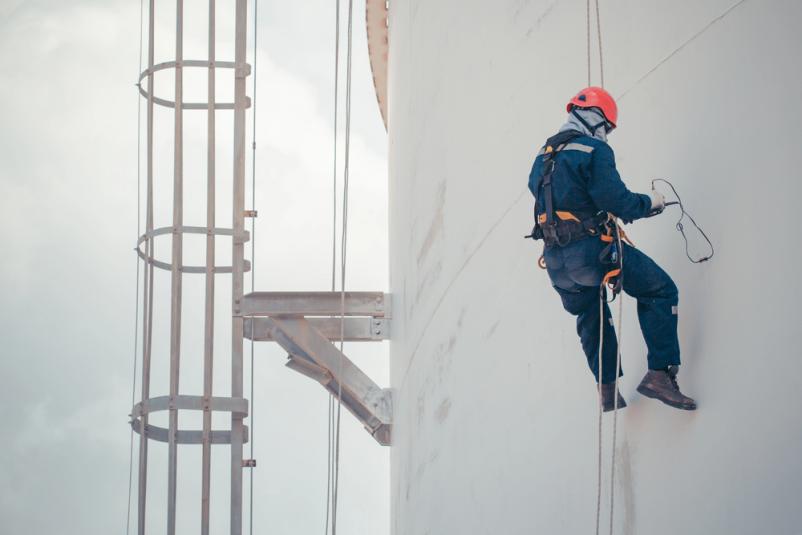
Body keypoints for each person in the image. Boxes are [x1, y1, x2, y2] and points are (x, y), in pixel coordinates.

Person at [527, 86, 696, 412]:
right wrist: (650, 204)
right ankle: (660, 375)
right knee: (660, 290)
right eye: (607, 128)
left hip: (557, 264)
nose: (607, 135)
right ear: (598, 120)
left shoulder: (543, 154)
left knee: (591, 315)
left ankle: (607, 390)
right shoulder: (593, 150)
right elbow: (616, 200)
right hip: (592, 252)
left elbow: (542, 193)